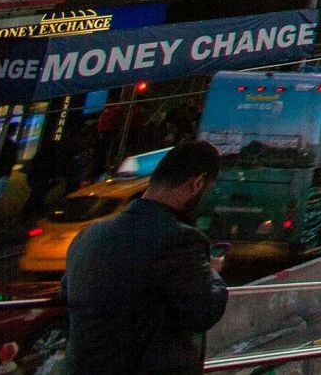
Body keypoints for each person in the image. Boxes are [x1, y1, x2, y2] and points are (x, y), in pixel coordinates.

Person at [64, 137, 226, 375]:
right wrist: (213, 271)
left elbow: (68, 295)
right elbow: (204, 311)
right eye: (208, 189)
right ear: (197, 184)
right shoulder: (180, 241)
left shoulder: (88, 235)